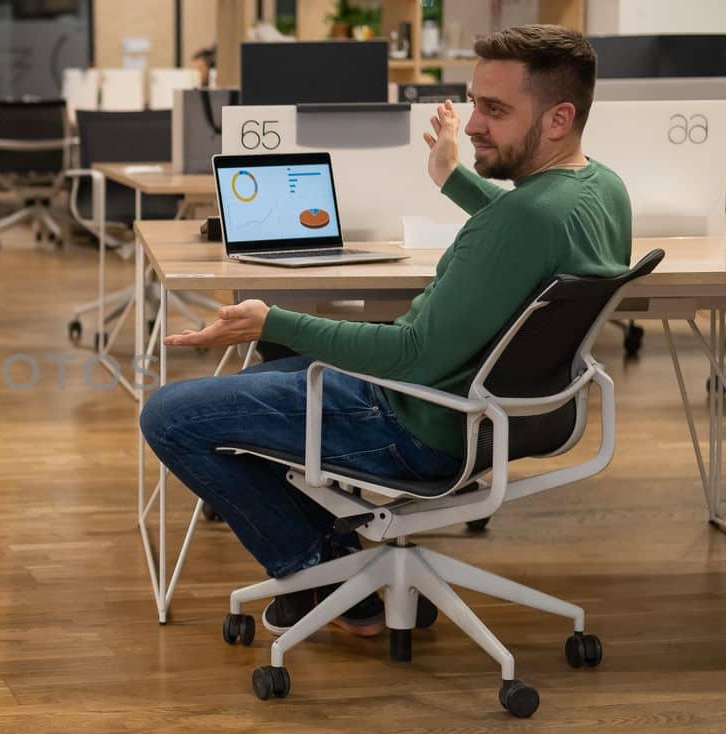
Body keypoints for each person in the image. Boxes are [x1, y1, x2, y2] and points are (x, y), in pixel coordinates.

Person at [139, 25, 629, 637]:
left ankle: (330, 577)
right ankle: (341, 561)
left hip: (416, 423)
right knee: (277, 360)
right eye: (476, 103)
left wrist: (272, 317)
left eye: (495, 110)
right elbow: (523, 231)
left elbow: (412, 354)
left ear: (558, 120)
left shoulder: (524, 217)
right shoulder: (599, 190)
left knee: (170, 415)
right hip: (501, 414)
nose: (474, 124)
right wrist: (454, 176)